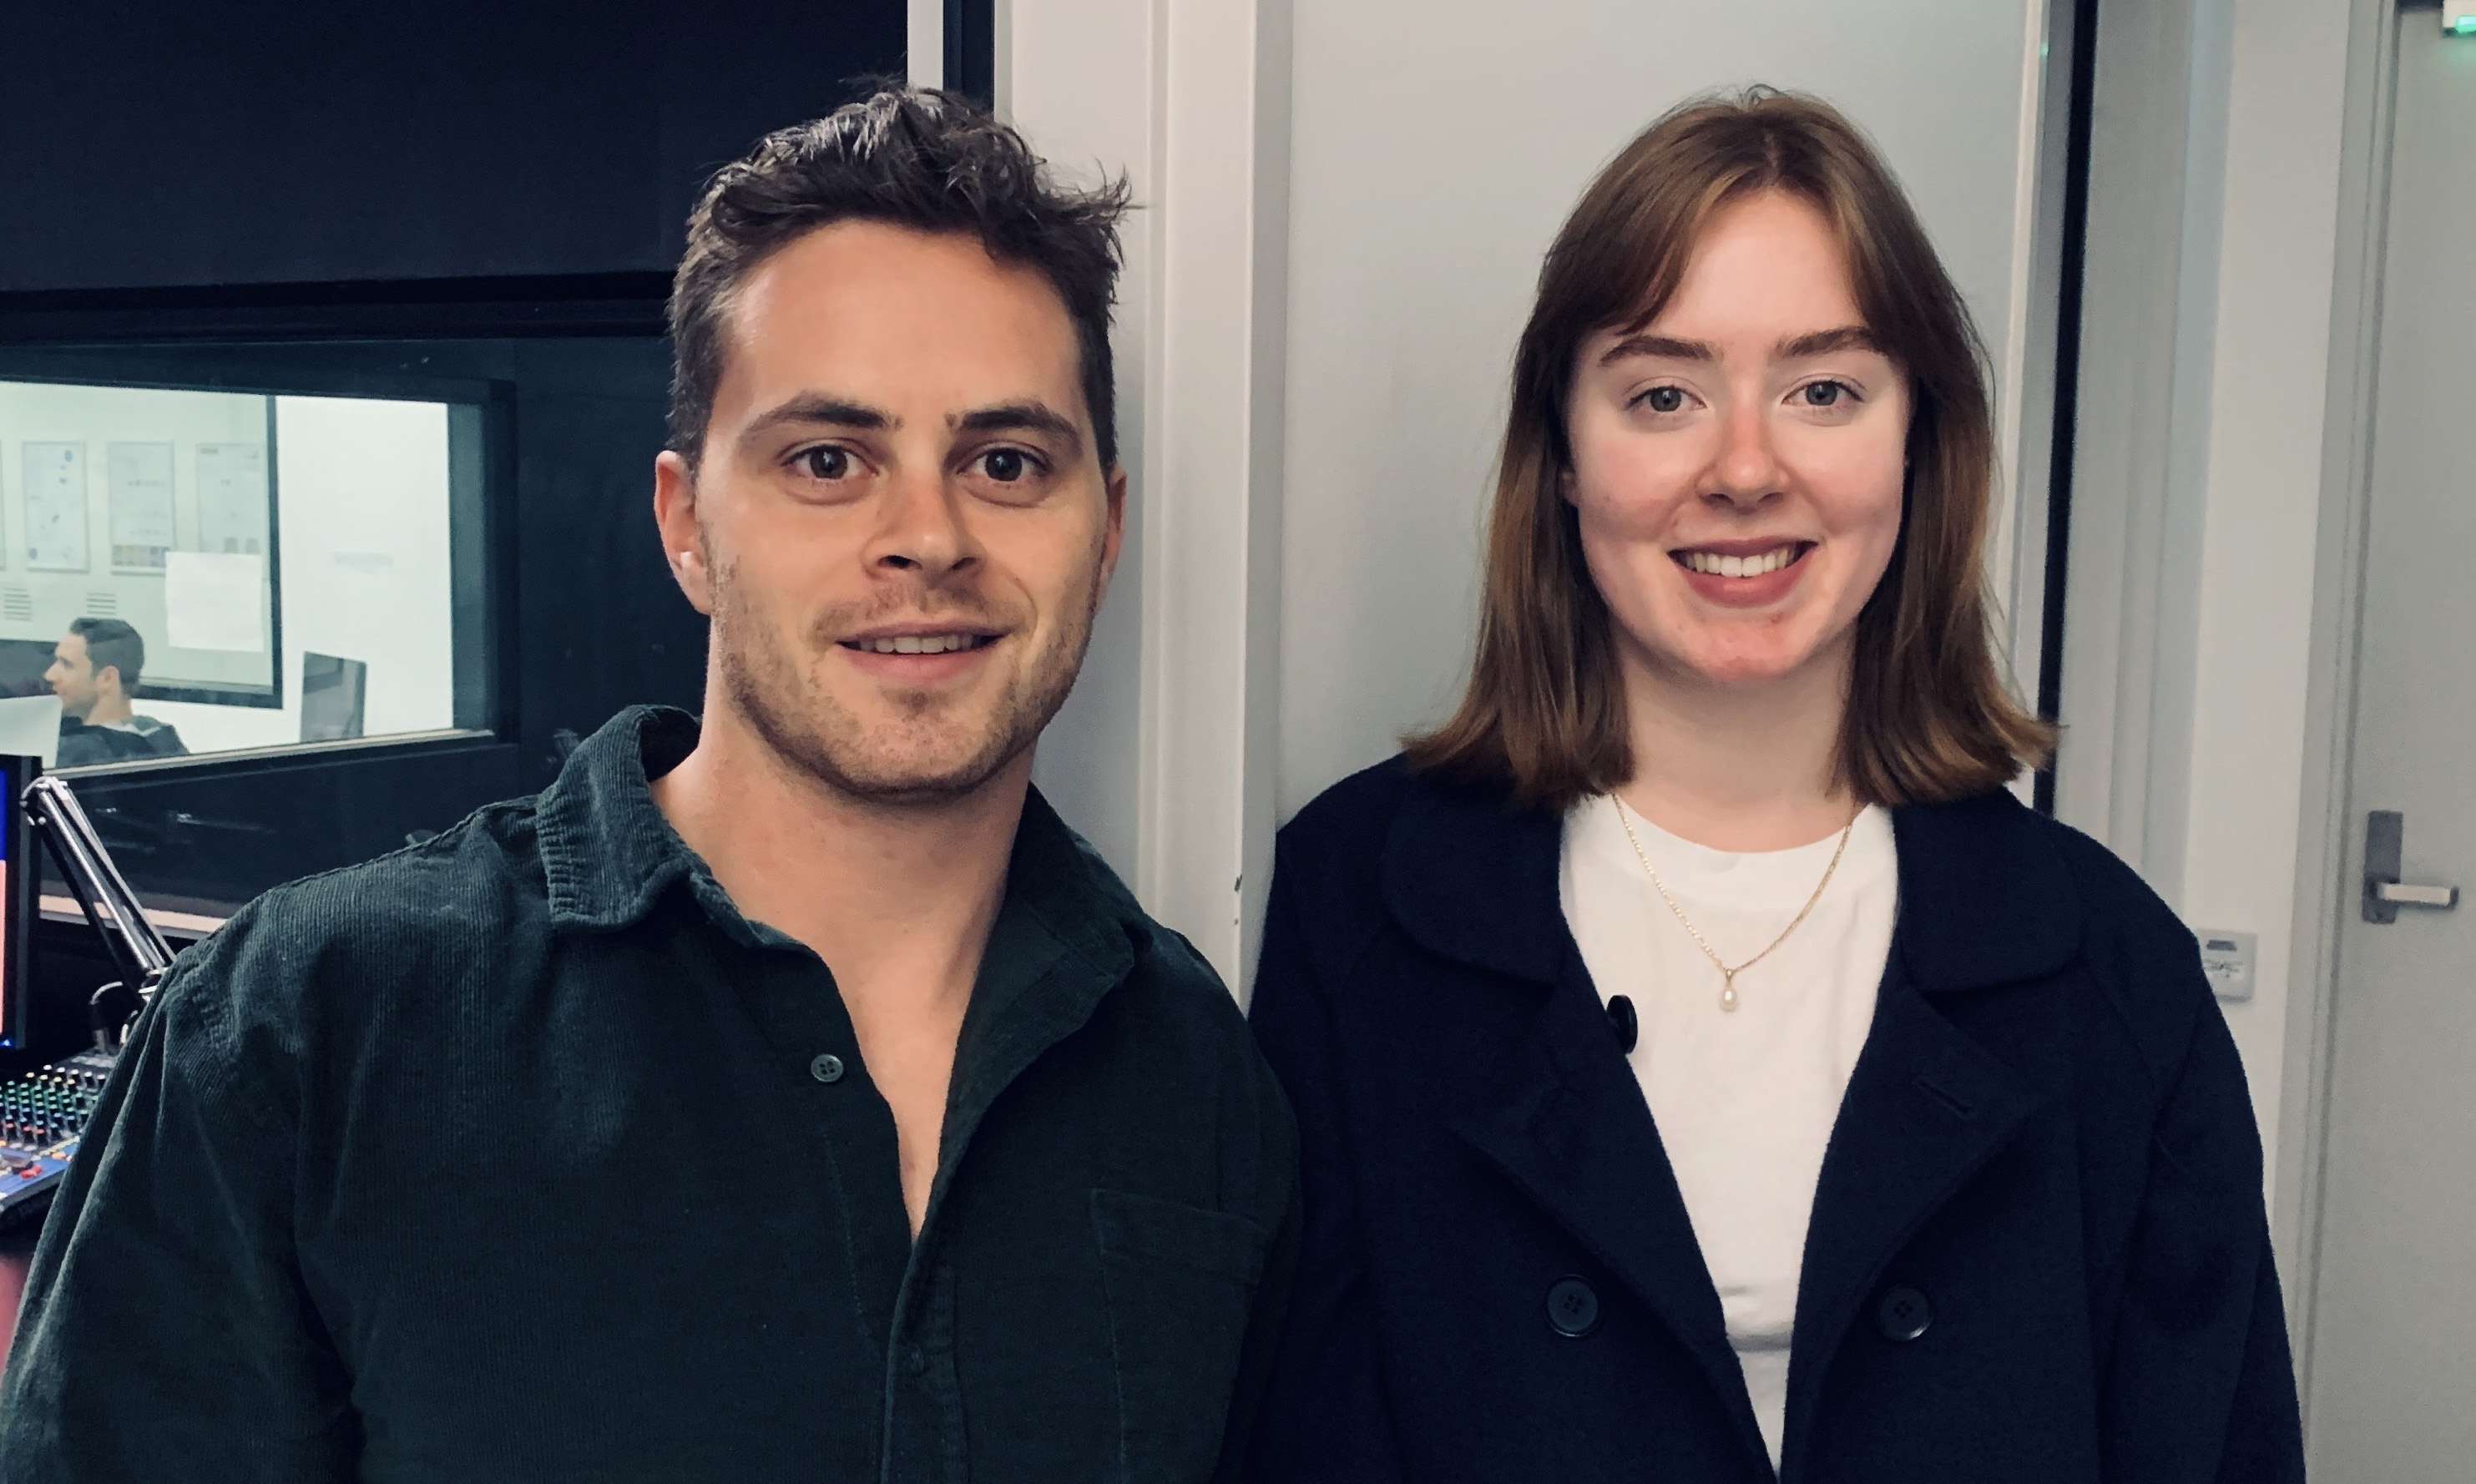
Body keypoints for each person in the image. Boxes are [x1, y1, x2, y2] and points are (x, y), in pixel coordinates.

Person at [0, 87, 1297, 1481]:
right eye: (826, 459)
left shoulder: (1189, 1065)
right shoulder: (312, 1027)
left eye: (1003, 460)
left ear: (1102, 532)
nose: (928, 533)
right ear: (689, 527)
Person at [1246, 90, 2302, 1483]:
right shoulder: (1361, 902)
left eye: (1824, 388)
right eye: (1662, 392)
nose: (1745, 468)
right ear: (1563, 453)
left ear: (1918, 441)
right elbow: (1296, 1439)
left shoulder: (2112, 973)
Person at [44, 618, 186, 765]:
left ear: (106, 678)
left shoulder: (72, 755)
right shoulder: (163, 741)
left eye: (66, 665)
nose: (50, 675)